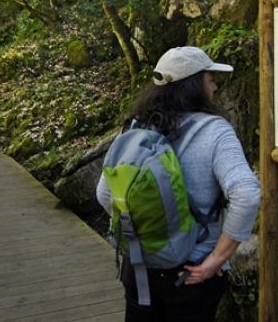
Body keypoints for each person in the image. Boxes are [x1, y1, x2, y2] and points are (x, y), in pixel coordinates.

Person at [96, 46, 261, 322]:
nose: (215, 86)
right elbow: (246, 194)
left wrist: (145, 236)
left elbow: (104, 193)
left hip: (138, 269)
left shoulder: (137, 126)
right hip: (190, 273)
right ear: (194, 84)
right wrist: (216, 261)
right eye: (210, 79)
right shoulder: (215, 131)